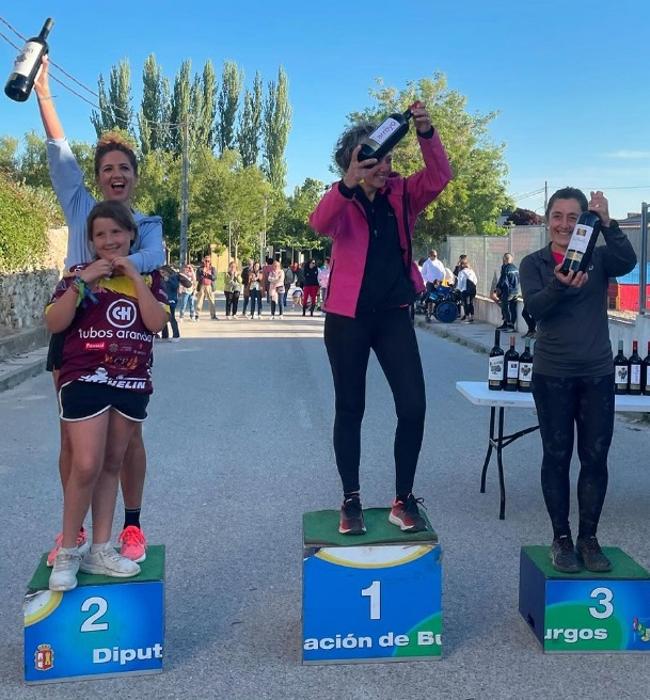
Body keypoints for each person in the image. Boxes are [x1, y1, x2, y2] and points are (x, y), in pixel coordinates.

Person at [34, 56, 164, 566]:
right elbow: (59, 154)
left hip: (125, 337)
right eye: (106, 169)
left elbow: (153, 258)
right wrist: (44, 93)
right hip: (75, 330)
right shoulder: (79, 208)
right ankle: (72, 536)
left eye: (123, 169)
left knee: (126, 443)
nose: (115, 175)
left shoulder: (146, 224)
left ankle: (127, 528)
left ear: (133, 178)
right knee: (73, 439)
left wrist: (112, 265)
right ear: (96, 179)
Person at [309, 101, 452, 535]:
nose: (384, 167)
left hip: (393, 314)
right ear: (354, 162)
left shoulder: (403, 194)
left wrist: (427, 134)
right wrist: (350, 180)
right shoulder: (341, 198)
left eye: (388, 158)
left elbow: (440, 175)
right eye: (375, 159)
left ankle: (402, 498)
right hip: (347, 318)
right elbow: (319, 223)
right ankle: (351, 500)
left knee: (413, 406)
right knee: (350, 407)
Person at [45, 201, 169, 591]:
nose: (110, 240)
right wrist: (84, 283)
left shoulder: (148, 279)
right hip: (85, 378)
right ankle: (68, 550)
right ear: (92, 241)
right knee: (85, 463)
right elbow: (55, 321)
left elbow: (156, 322)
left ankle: (101, 547)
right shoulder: (78, 276)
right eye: (101, 234)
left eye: (117, 232)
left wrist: (133, 275)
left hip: (130, 381)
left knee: (112, 462)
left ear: (131, 235)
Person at [520, 188, 636, 573]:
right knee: (556, 457)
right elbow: (535, 310)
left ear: (582, 221)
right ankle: (561, 539)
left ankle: (588, 538)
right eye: (557, 216)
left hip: (597, 374)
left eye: (574, 217)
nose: (564, 224)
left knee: (594, 458)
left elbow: (628, 259)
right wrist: (559, 285)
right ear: (547, 219)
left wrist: (608, 223)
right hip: (552, 375)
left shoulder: (600, 258)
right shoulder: (533, 263)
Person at [496, 253, 520, 331]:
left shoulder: (505, 268)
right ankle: (509, 324)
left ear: (505, 259)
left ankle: (509, 325)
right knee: (513, 308)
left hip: (508, 291)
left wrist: (498, 288)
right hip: (516, 290)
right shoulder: (515, 268)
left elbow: (503, 280)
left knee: (505, 307)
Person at [421, 250, 446, 321]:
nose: (435, 257)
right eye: (433, 255)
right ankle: (428, 314)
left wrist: (441, 281)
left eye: (436, 255)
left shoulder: (439, 263)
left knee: (438, 298)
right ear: (430, 255)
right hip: (430, 284)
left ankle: (437, 313)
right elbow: (423, 274)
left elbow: (443, 272)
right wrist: (429, 280)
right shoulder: (426, 263)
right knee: (430, 299)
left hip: (438, 283)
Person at [161, 265, 181, 341]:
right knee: (163, 318)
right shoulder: (162, 278)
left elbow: (175, 286)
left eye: (163, 272)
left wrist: (168, 280)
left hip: (172, 300)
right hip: (164, 300)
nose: (162, 274)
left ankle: (176, 336)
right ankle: (165, 335)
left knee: (171, 317)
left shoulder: (173, 276)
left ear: (167, 271)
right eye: (161, 272)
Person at [195, 256, 218, 320]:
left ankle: (213, 315)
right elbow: (198, 278)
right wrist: (203, 273)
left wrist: (207, 274)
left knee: (212, 301)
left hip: (210, 286)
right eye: (206, 261)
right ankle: (197, 315)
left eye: (208, 261)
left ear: (210, 262)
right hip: (202, 286)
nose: (207, 262)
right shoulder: (200, 269)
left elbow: (214, 277)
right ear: (203, 261)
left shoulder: (213, 269)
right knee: (199, 301)